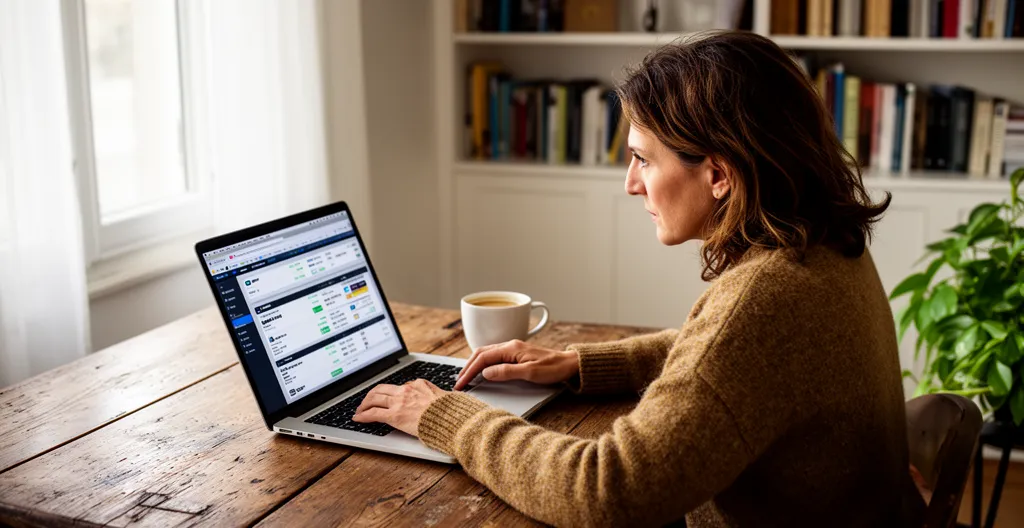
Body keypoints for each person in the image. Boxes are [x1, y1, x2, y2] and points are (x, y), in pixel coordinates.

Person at [353, 31, 917, 526]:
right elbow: (734, 362)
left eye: (643, 159)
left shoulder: (765, 299)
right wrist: (584, 363)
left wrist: (448, 418)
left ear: (718, 174)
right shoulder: (820, 244)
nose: (631, 183)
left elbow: (608, 491)